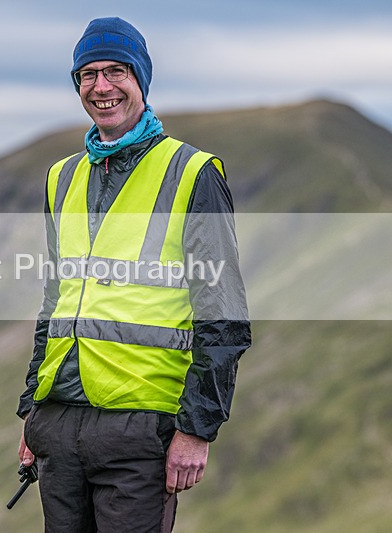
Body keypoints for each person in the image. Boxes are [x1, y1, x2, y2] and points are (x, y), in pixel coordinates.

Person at [17, 17, 251, 532]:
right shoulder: (62, 177)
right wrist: (33, 409)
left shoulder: (192, 173)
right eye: (88, 74)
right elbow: (56, 301)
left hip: (141, 431)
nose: (101, 87)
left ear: (140, 79)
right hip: (58, 425)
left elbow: (224, 314)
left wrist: (197, 430)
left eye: (115, 72)